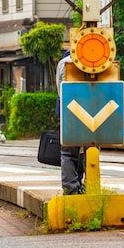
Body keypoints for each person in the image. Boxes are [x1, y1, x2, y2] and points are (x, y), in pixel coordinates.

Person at [56, 52, 85, 194]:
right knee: (90, 149)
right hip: (97, 111)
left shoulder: (64, 63)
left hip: (70, 111)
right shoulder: (100, 60)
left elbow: (60, 91)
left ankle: (70, 189)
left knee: (68, 152)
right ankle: (88, 185)